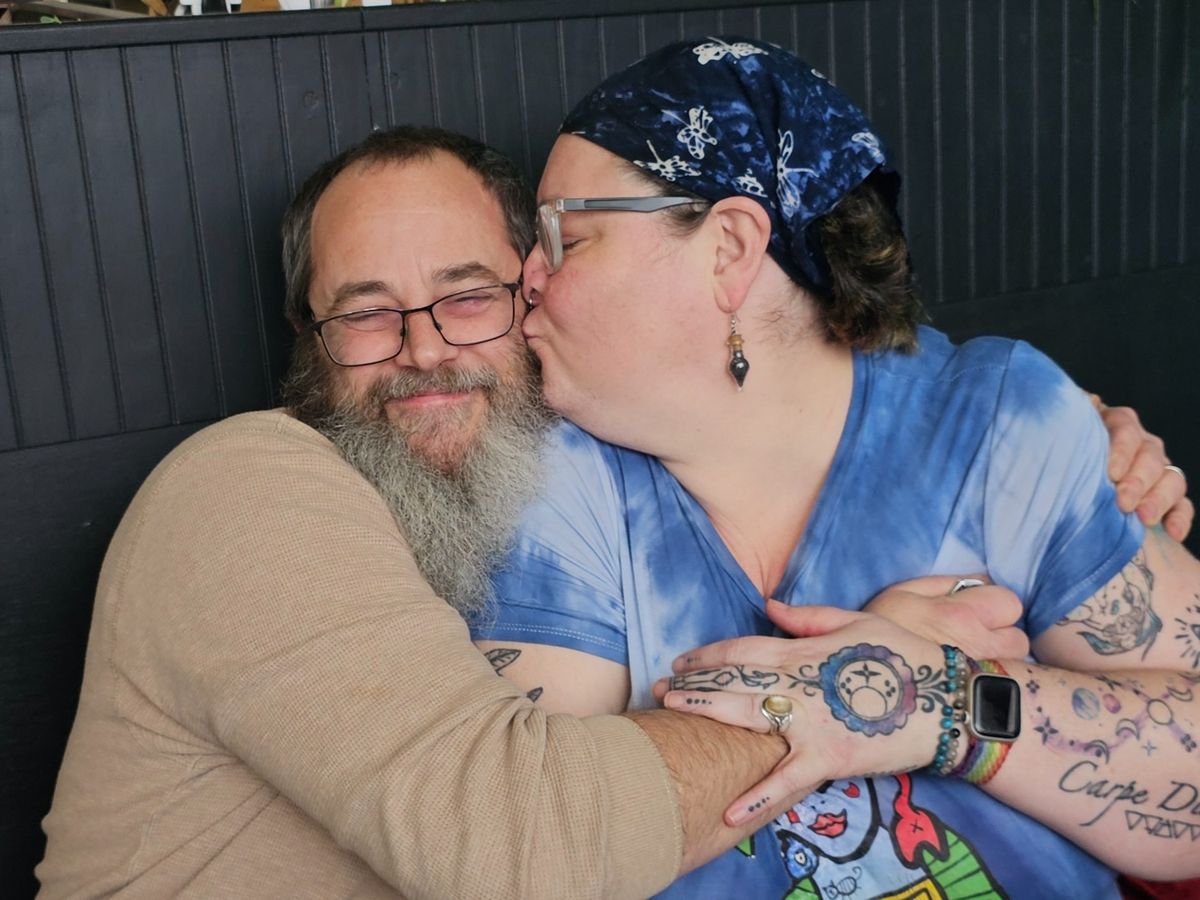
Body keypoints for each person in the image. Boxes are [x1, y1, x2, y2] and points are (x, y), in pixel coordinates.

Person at [35, 119, 1185, 899]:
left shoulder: (543, 497)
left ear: (539, 304)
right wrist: (868, 679)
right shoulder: (244, 489)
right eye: (366, 313)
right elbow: (527, 846)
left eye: (469, 297)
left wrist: (1064, 432)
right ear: (312, 344)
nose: (423, 351)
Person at [469, 38, 1200, 898]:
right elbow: (543, 847)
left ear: (729, 248)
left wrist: (943, 702)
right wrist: (862, 689)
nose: (526, 276)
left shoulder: (996, 423)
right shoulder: (552, 472)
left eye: (566, 235)